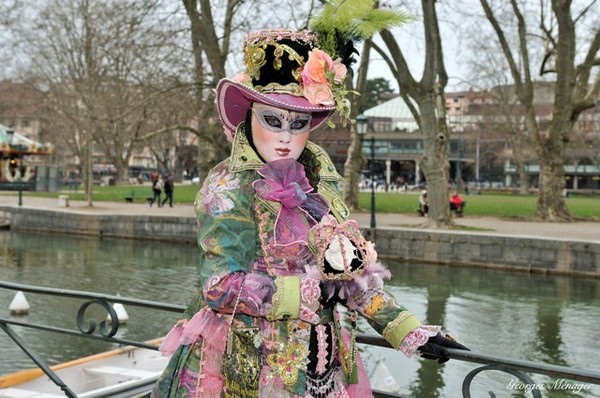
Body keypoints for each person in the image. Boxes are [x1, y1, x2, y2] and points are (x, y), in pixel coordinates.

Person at [151, 26, 467, 398]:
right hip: (249, 367)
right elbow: (220, 288)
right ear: (249, 118)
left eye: (298, 124)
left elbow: (351, 278)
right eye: (273, 121)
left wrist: (406, 330)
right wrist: (308, 291)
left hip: (323, 365)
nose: (286, 137)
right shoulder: (229, 187)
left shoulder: (318, 183)